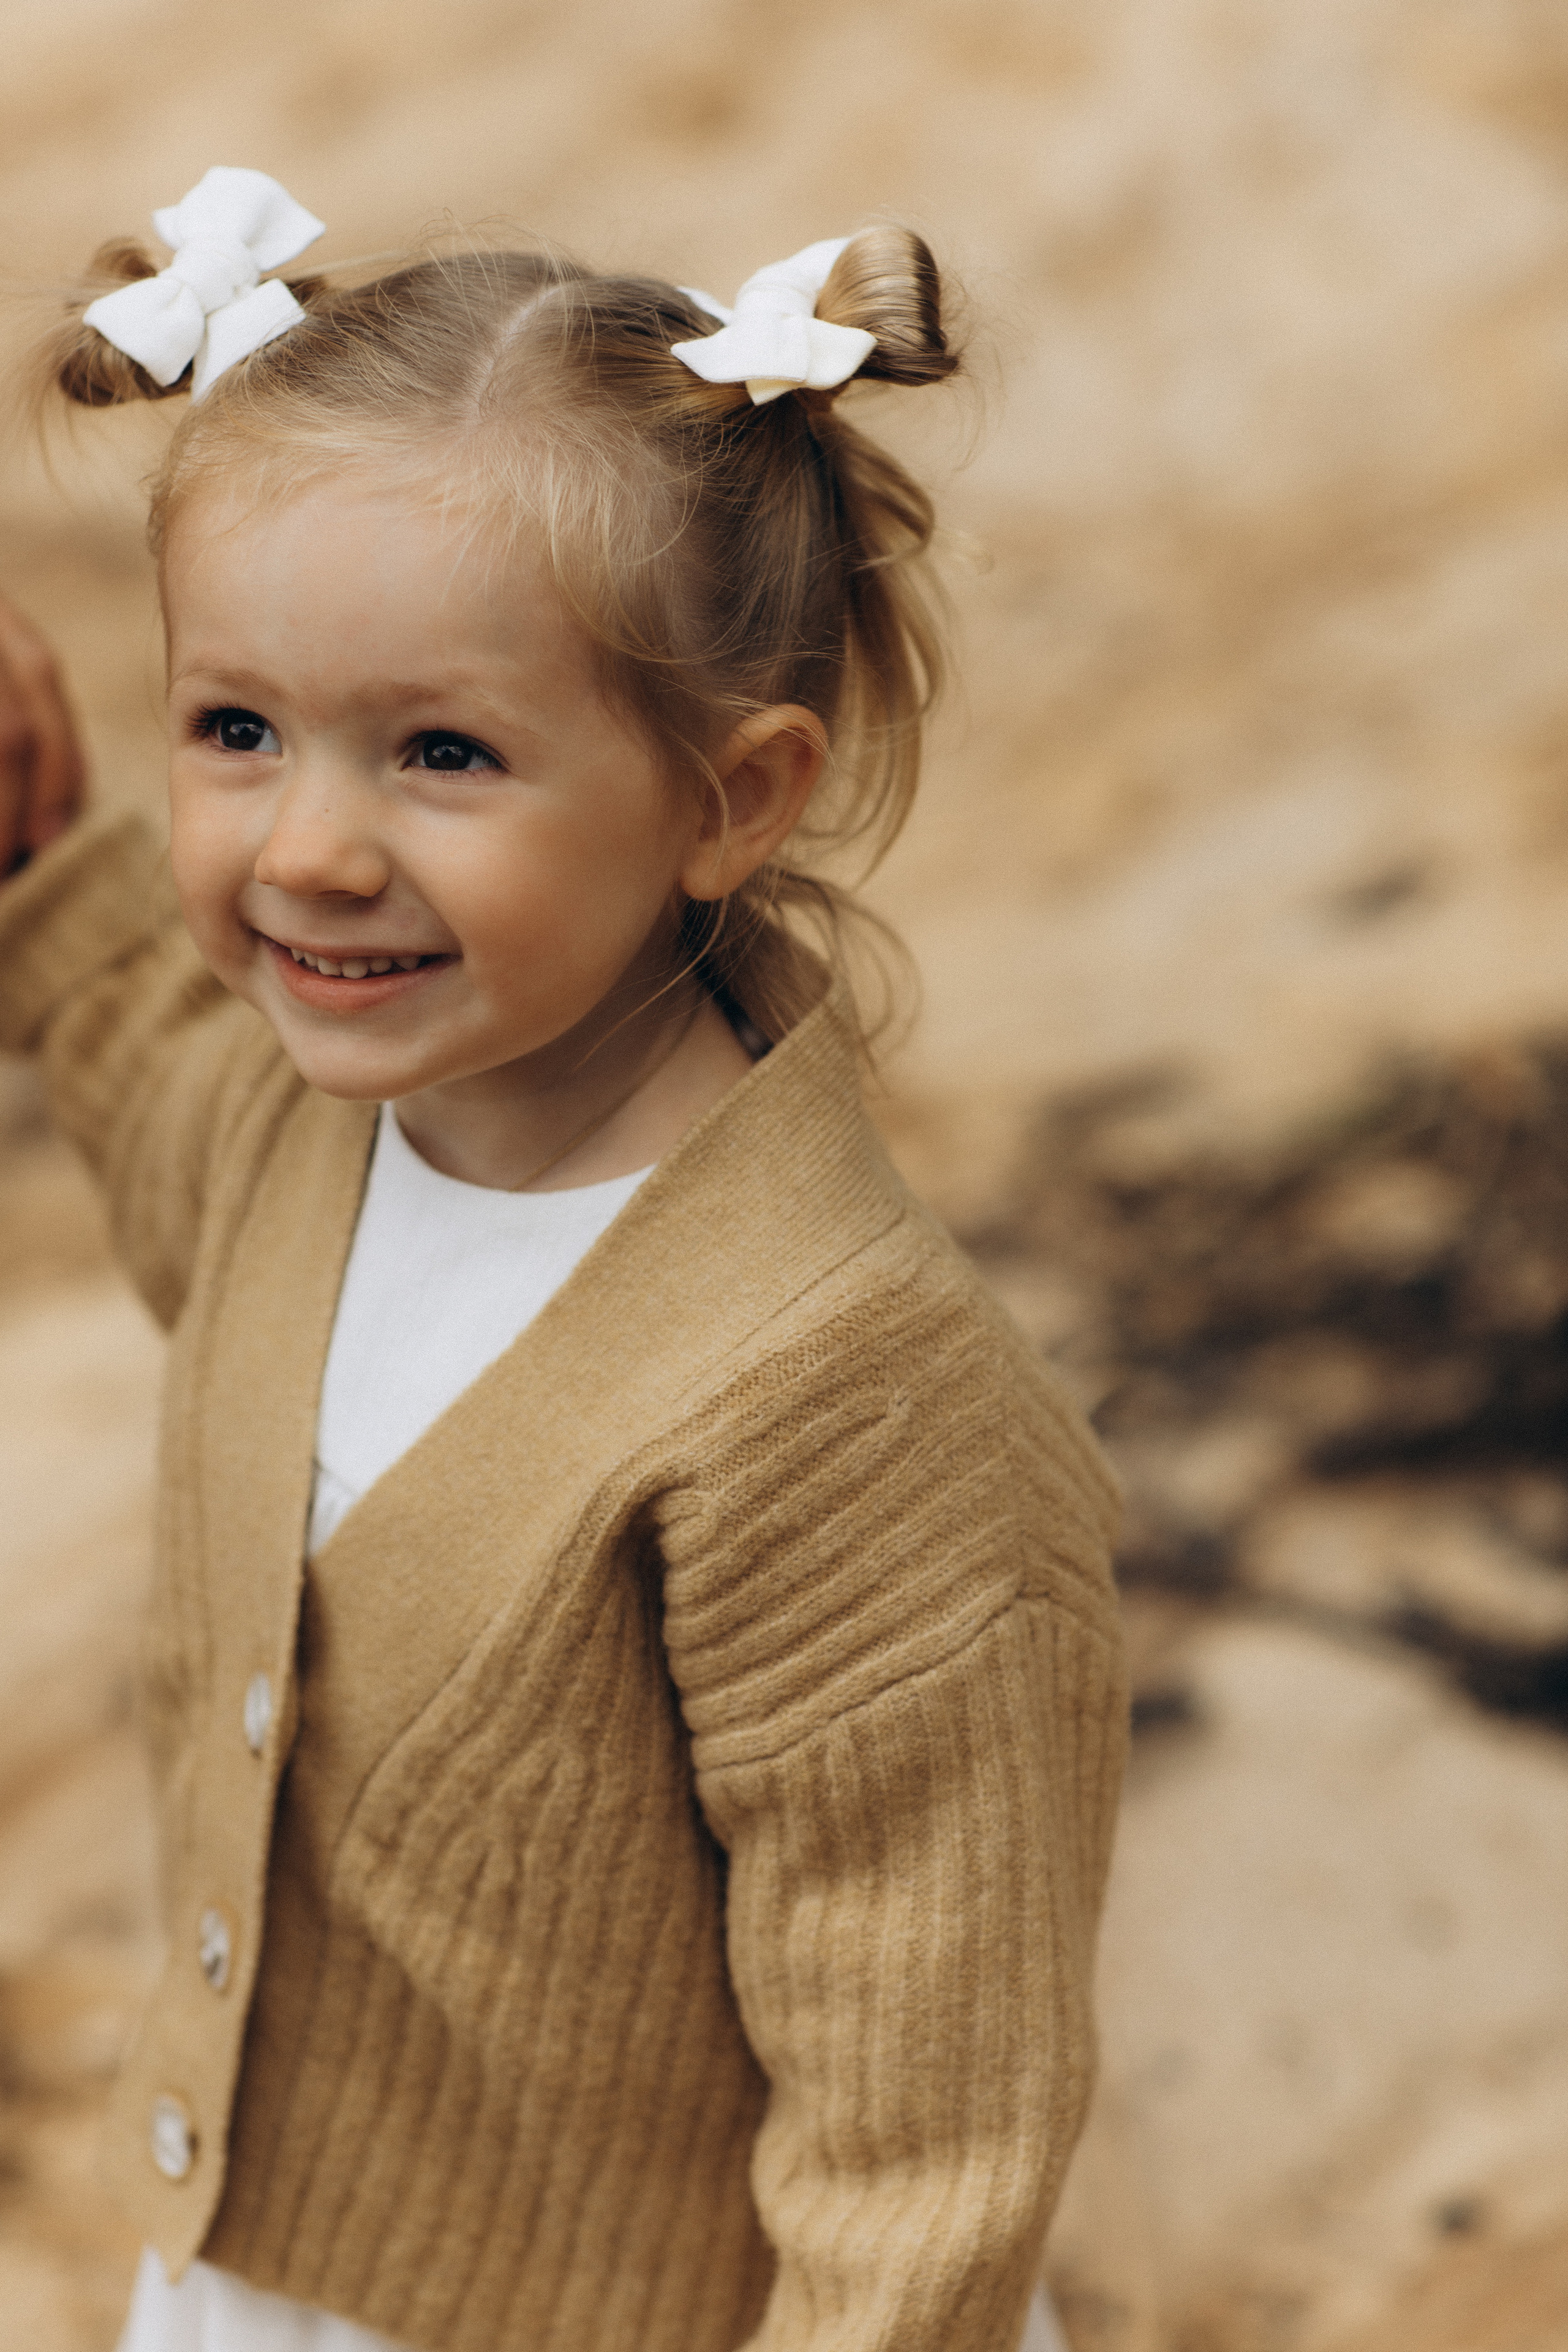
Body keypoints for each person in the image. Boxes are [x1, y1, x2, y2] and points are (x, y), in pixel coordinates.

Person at [0, 168, 1125, 2352]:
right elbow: (162, 1102)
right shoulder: (301, 1117)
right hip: (275, 2247)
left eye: (442, 752)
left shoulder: (844, 1409)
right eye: (237, 727)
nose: (311, 846)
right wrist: (40, 852)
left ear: (729, 797)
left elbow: (929, 2132)